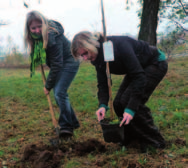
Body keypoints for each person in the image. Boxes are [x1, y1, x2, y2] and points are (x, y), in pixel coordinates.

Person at [71, 31, 168, 152]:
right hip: (138, 69)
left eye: (85, 53)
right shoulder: (98, 58)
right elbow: (103, 83)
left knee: (131, 103)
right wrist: (102, 105)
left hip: (154, 63)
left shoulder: (120, 45)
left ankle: (155, 141)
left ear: (92, 44)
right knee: (118, 104)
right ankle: (131, 138)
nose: (85, 58)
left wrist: (131, 108)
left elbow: (139, 77)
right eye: (82, 56)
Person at [24, 10, 80, 138]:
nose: (37, 30)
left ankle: (66, 127)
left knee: (59, 92)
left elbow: (57, 64)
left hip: (69, 62)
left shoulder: (52, 36)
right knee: (59, 93)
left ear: (44, 24)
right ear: (29, 29)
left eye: (39, 26)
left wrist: (48, 85)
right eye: (33, 28)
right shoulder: (36, 39)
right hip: (60, 63)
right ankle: (73, 122)